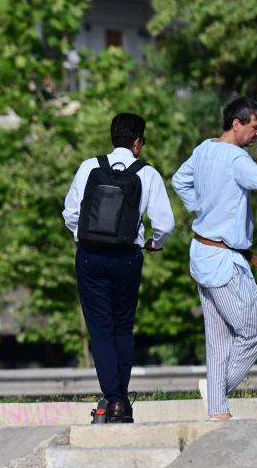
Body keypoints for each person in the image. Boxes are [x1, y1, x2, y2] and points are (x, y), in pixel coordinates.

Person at [62, 113, 175, 419]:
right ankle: (120, 401)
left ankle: (113, 401)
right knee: (123, 328)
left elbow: (70, 213)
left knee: (100, 331)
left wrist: (82, 238)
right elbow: (165, 223)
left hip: (89, 257)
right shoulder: (147, 173)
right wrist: (155, 243)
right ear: (137, 142)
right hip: (128, 257)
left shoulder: (89, 167)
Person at [172, 97, 257, 421]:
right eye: (255, 126)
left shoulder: (203, 149)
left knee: (219, 339)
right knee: (256, 328)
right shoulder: (235, 157)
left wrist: (202, 206)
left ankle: (218, 413)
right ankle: (216, 390)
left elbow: (179, 180)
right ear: (236, 124)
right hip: (224, 261)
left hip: (203, 252)